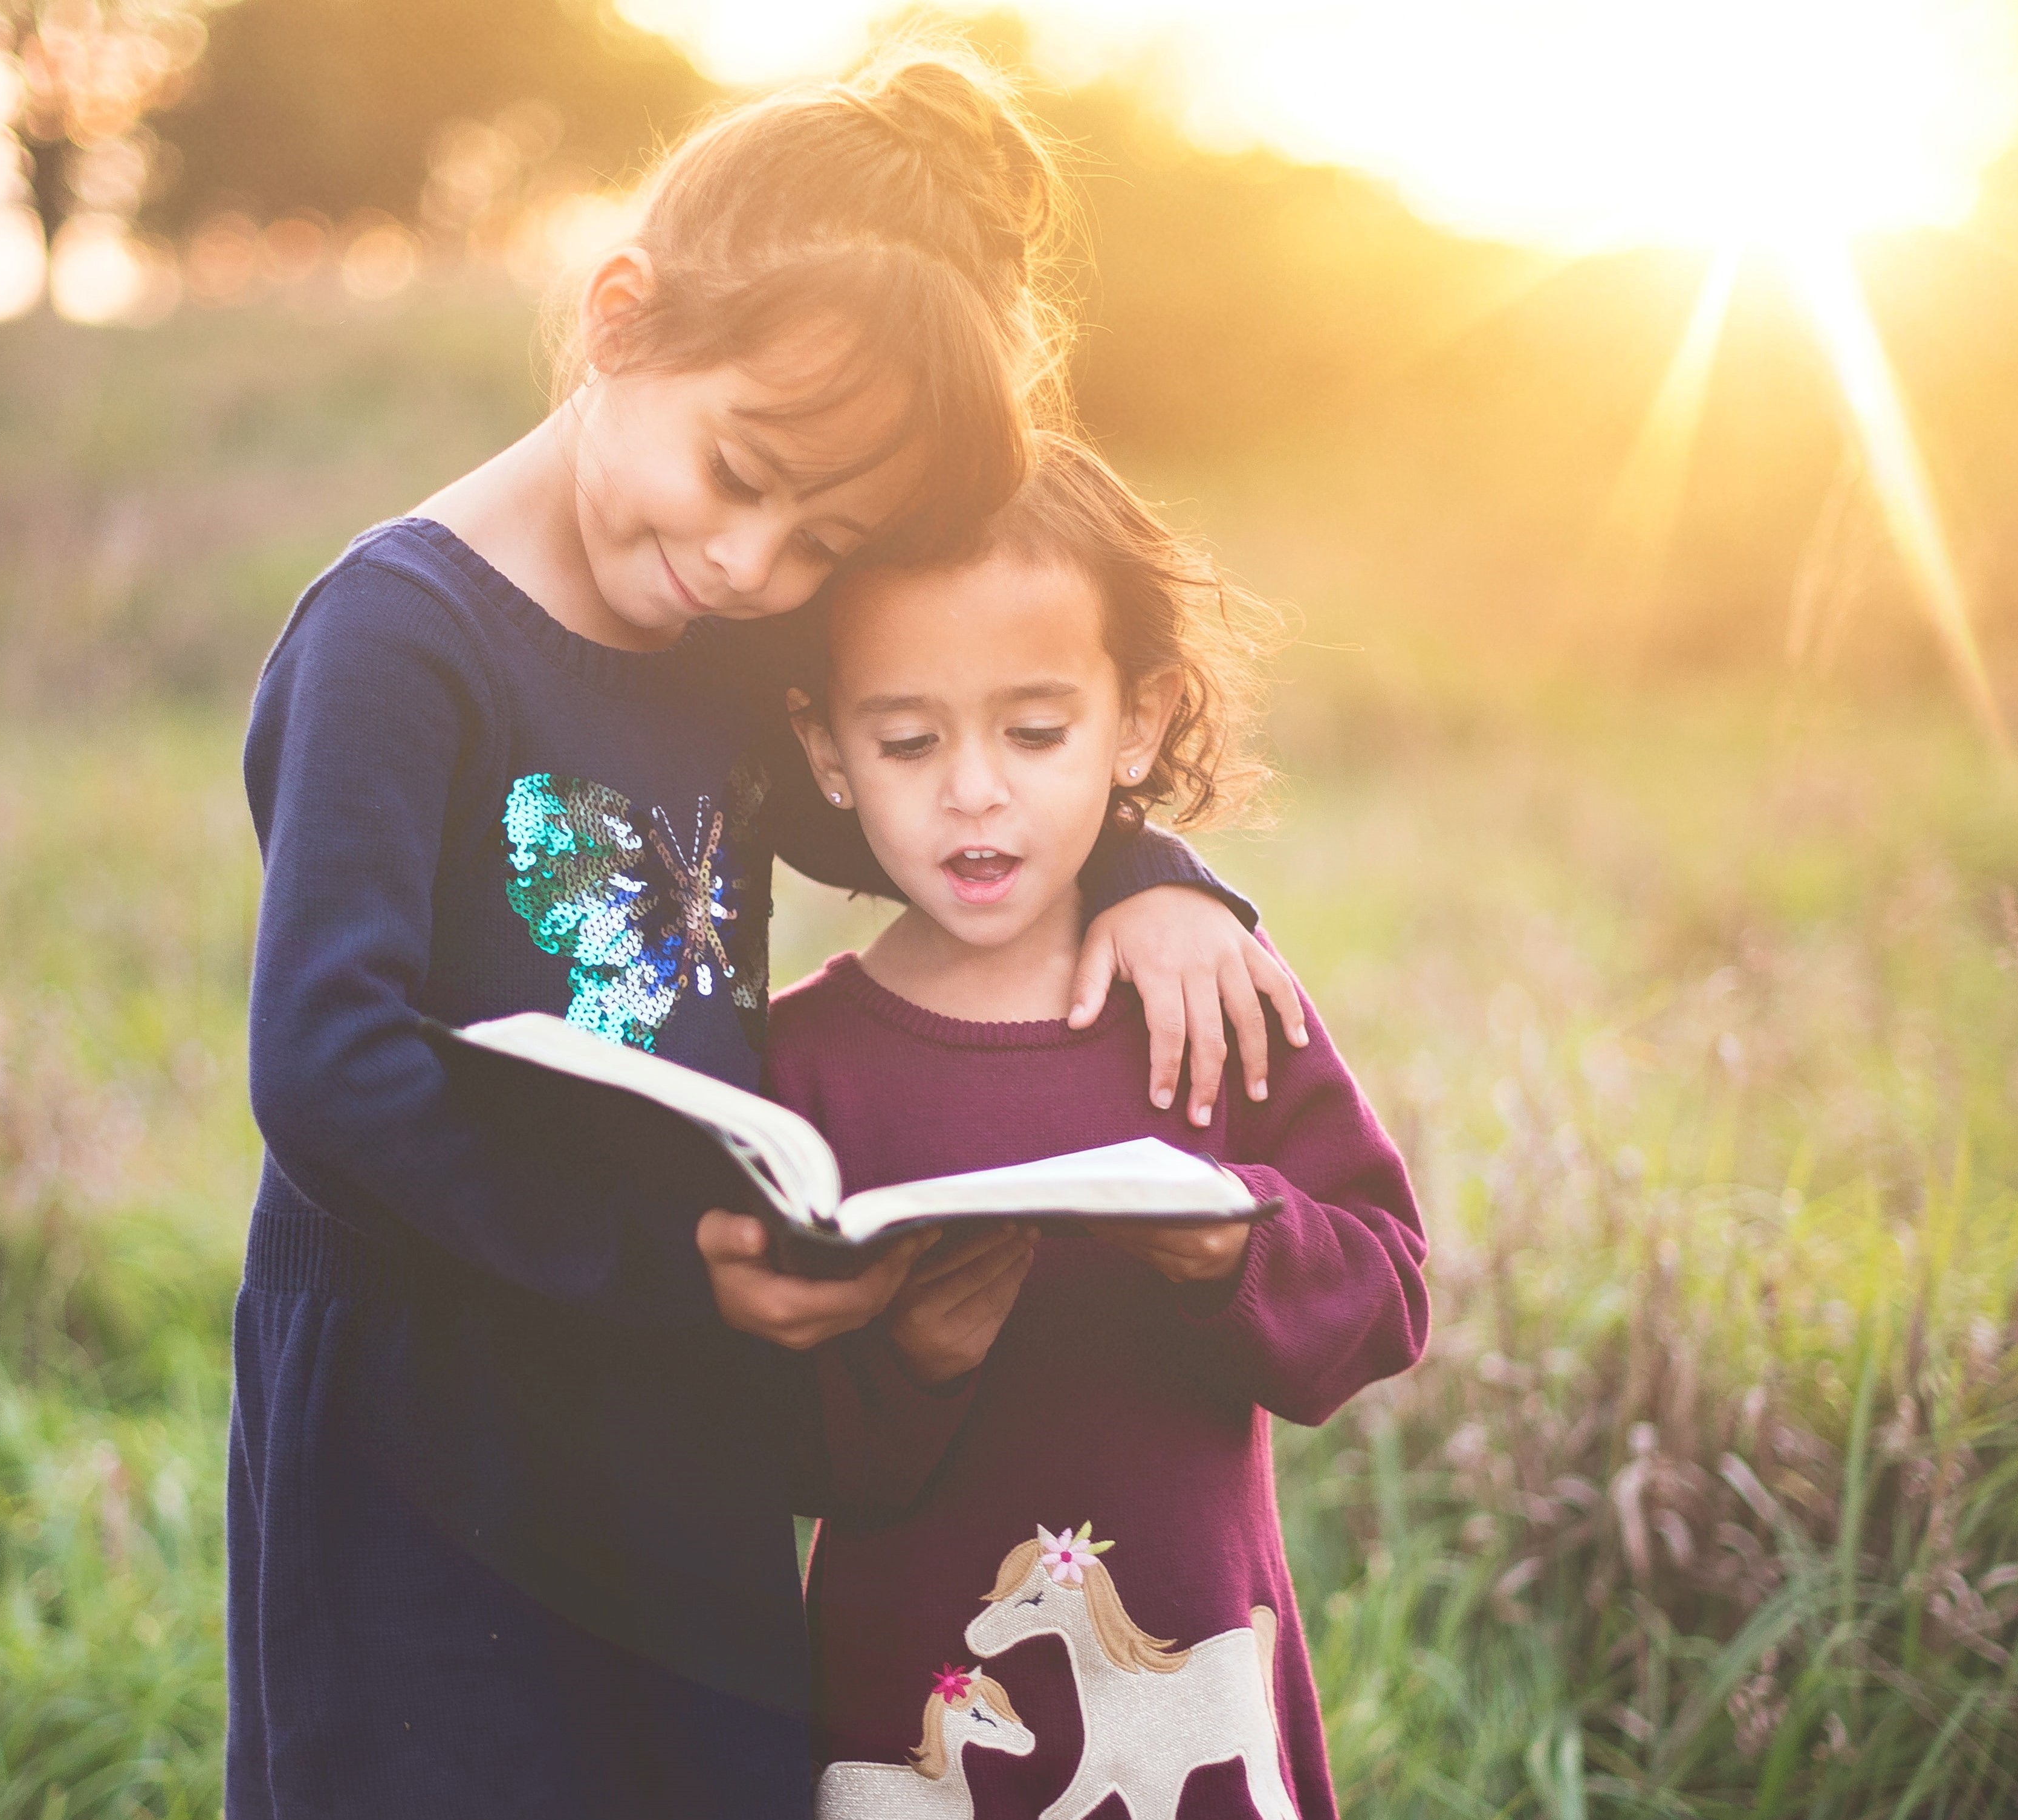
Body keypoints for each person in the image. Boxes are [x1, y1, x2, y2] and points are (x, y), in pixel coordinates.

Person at [229, 51, 1299, 1819]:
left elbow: (938, 827)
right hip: (436, 1405)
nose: (748, 564)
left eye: (822, 543)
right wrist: (664, 1272)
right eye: (740, 474)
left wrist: (1151, 875)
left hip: (681, 1388)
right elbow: (324, 1072)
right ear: (620, 318)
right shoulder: (396, 638)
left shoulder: (723, 655)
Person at [757, 435, 1430, 1820]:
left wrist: (1231, 1246)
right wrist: (910, 1360)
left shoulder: (1208, 996)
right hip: (913, 1705)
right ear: (825, 745)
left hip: (1190, 1672)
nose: (974, 789)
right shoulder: (800, 1063)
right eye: (906, 739)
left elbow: (1387, 1292)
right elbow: (760, 1439)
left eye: (1036, 730)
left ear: (1138, 718)